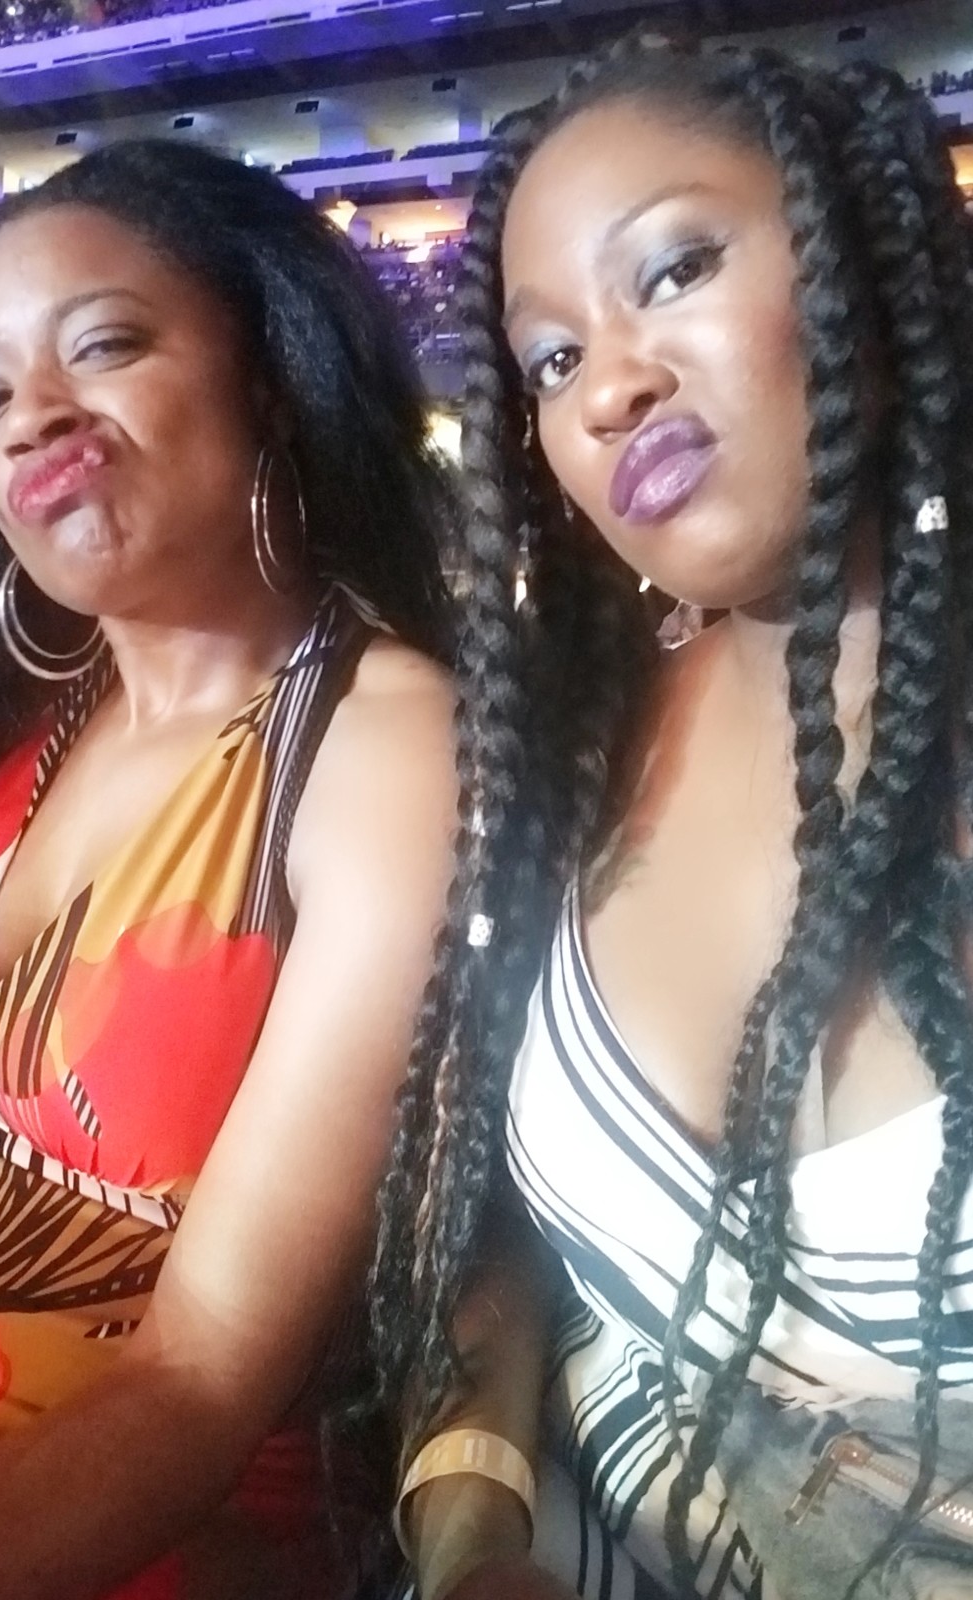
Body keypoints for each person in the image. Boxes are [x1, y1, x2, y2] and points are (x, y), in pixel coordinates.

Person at [0, 137, 456, 1600]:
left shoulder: (383, 745)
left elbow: (202, 1380)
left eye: (105, 345)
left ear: (269, 379)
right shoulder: (5, 711)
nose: (34, 416)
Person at [372, 35, 973, 1600]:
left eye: (677, 269)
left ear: (865, 264)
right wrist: (471, 1527)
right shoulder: (575, 740)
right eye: (549, 358)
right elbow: (500, 1219)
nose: (609, 385)